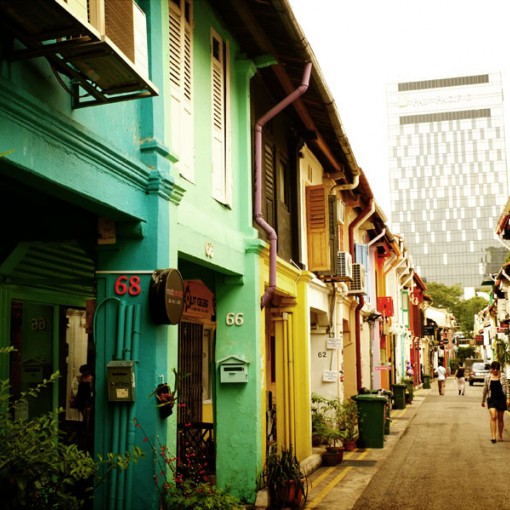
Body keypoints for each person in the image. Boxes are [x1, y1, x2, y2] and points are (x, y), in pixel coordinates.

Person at [481, 361, 510, 443]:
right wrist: (483, 400)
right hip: (491, 399)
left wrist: (508, 398)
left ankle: (500, 435)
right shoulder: (488, 377)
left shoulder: (503, 376)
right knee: (493, 416)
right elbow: (485, 389)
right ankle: (493, 436)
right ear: (491, 369)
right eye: (494, 369)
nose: (495, 370)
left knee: (500, 419)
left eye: (497, 369)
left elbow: (507, 388)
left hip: (501, 399)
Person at [70, 364, 94, 451]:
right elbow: (74, 389)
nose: (85, 373)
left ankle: (86, 432)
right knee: (85, 416)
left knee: (88, 416)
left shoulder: (92, 379)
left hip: (89, 400)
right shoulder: (78, 379)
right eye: (83, 372)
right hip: (81, 400)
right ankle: (84, 433)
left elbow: (93, 391)